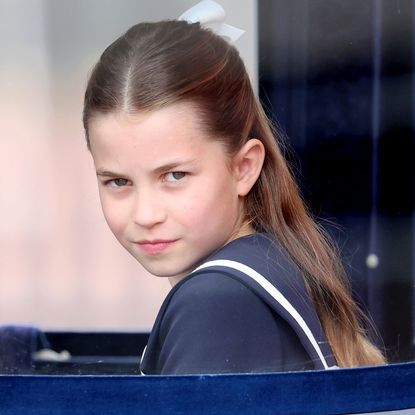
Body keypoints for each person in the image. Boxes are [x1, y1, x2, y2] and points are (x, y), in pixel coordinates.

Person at [82, 14, 385, 374]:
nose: (146, 214)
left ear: (244, 167)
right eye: (118, 182)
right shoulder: (276, 261)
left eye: (175, 175)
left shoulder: (215, 301)